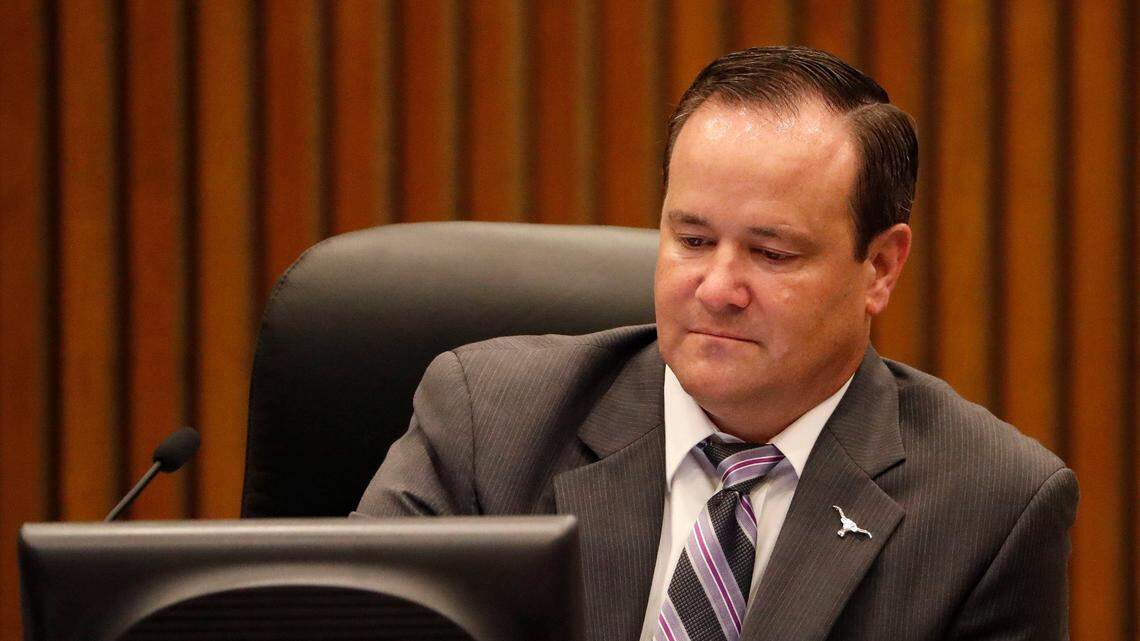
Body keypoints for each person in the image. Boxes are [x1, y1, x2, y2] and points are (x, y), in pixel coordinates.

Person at [354, 46, 1077, 641]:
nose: (718, 287)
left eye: (772, 254)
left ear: (880, 267)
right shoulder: (489, 424)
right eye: (693, 239)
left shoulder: (991, 507)